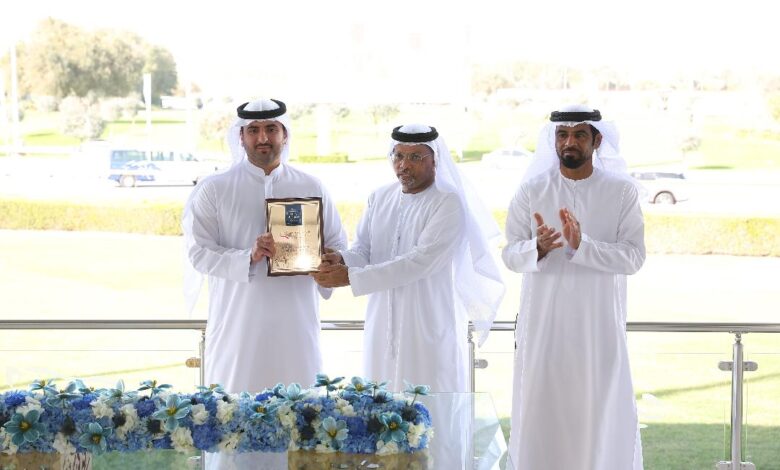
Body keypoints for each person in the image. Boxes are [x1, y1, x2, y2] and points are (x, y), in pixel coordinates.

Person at [502, 105, 645, 469]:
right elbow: (510, 254)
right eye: (562, 135)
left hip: (598, 328)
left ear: (597, 140)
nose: (570, 142)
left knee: (598, 411)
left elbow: (633, 257)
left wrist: (583, 245)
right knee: (542, 411)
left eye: (580, 134)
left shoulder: (622, 192)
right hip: (543, 329)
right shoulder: (531, 191)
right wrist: (536, 248)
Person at [311, 124, 504, 393]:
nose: (404, 165)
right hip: (381, 319)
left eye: (415, 157)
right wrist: (340, 259)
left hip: (426, 320)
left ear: (435, 160)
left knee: (428, 398)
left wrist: (351, 277)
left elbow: (420, 262)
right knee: (380, 395)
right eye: (399, 156)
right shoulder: (380, 197)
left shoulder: (447, 202)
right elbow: (364, 251)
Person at [182, 98, 347, 393]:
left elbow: (338, 245)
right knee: (234, 405)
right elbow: (199, 253)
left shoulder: (312, 186)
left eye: (271, 129)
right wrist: (249, 255)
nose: (263, 138)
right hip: (237, 327)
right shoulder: (214, 188)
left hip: (297, 325)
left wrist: (327, 260)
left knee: (300, 406)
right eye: (253, 130)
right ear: (240, 136)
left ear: (285, 134)